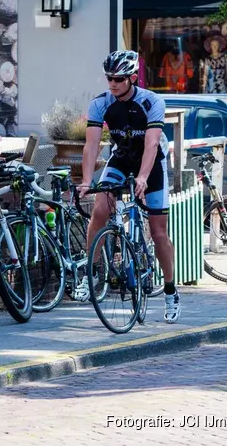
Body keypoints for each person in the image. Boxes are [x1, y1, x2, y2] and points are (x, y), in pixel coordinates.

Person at [78, 50, 179, 323]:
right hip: (121, 158)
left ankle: (170, 291)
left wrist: (143, 177)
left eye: (119, 79)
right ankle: (93, 273)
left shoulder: (152, 101)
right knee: (100, 210)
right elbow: (91, 145)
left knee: (158, 232)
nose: (112, 83)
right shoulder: (101, 104)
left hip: (151, 162)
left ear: (132, 78)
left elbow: (151, 144)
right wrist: (87, 180)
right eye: (109, 78)